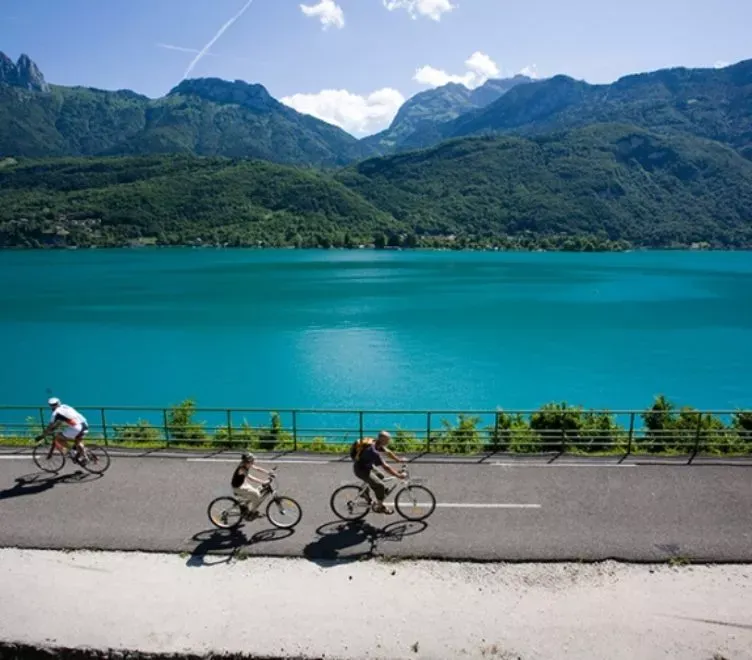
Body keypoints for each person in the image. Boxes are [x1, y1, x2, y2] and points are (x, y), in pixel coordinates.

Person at [353, 430, 405, 514]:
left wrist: (398, 460)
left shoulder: (377, 443)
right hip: (361, 470)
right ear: (382, 440)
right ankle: (380, 507)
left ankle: (365, 491)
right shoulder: (373, 451)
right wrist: (398, 475)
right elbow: (386, 467)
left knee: (381, 476)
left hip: (367, 466)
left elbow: (388, 452)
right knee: (380, 485)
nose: (389, 441)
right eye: (388, 440)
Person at [231, 452, 271, 516]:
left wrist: (268, 472)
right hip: (238, 487)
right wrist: (263, 482)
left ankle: (243, 505)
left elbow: (257, 469)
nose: (253, 461)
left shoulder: (247, 464)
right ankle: (252, 512)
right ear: (248, 461)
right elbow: (251, 478)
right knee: (257, 495)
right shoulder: (242, 469)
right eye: (252, 460)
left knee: (258, 490)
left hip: (243, 484)